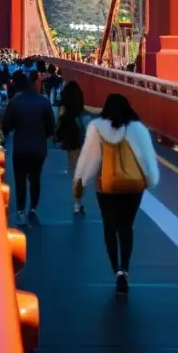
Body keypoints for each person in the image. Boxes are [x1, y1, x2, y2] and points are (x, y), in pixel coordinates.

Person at [72, 93, 159, 295]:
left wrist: (80, 182)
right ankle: (125, 269)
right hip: (132, 187)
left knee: (110, 227)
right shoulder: (137, 128)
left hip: (106, 187)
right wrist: (150, 179)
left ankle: (116, 270)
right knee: (127, 226)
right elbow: (146, 157)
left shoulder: (96, 128)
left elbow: (90, 158)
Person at [1, 71, 56, 226]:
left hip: (20, 147)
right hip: (39, 148)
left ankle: (20, 210)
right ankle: (33, 208)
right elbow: (51, 127)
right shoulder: (44, 102)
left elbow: (6, 125)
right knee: (35, 178)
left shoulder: (15, 102)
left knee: (20, 179)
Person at [54, 80, 91, 215]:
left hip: (71, 144)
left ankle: (77, 203)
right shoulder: (83, 114)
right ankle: (78, 202)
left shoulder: (65, 113)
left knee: (74, 171)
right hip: (83, 144)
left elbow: (58, 128)